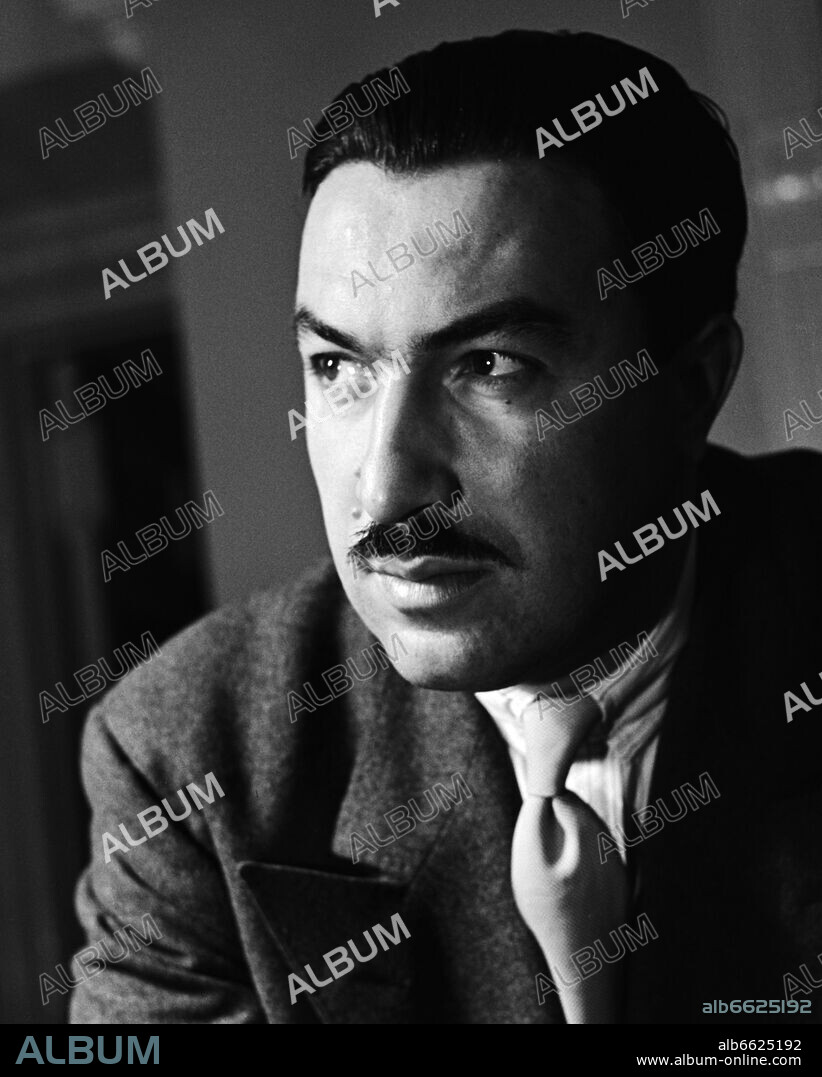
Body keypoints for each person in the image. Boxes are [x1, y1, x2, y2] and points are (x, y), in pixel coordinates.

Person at [70, 29, 822, 1024]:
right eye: (338, 368)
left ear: (688, 388)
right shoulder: (186, 753)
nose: (385, 490)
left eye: (491, 365)